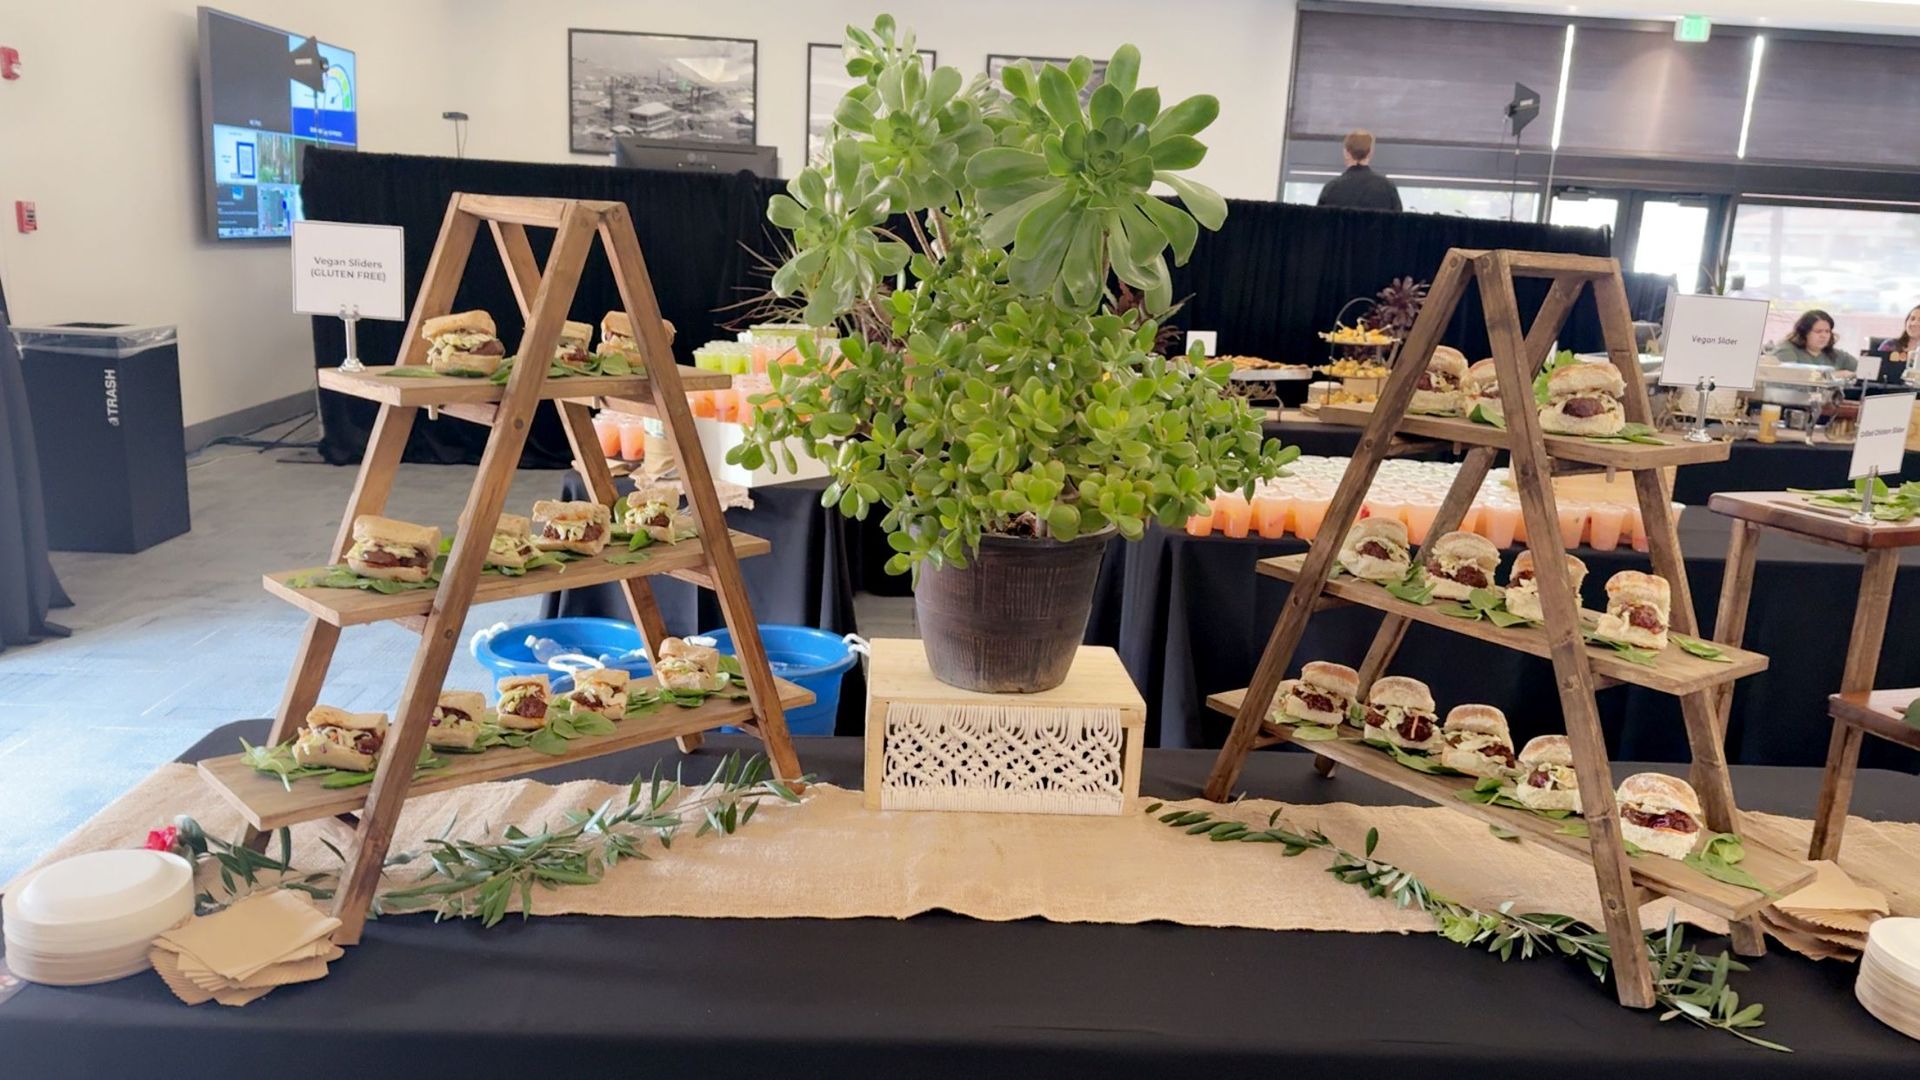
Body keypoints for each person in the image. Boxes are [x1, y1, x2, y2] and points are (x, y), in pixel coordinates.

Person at [1316, 130, 1402, 212]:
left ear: (1346, 153)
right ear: (1370, 153)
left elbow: (1319, 222)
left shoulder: (1331, 188)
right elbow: (1398, 222)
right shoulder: (1387, 188)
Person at [1771, 309, 1858, 372]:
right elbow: (1792, 378)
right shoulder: (1786, 350)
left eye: (1827, 331)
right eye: (1818, 331)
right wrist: (1834, 377)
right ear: (1804, 332)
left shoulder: (1837, 355)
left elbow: (1864, 371)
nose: (1823, 336)